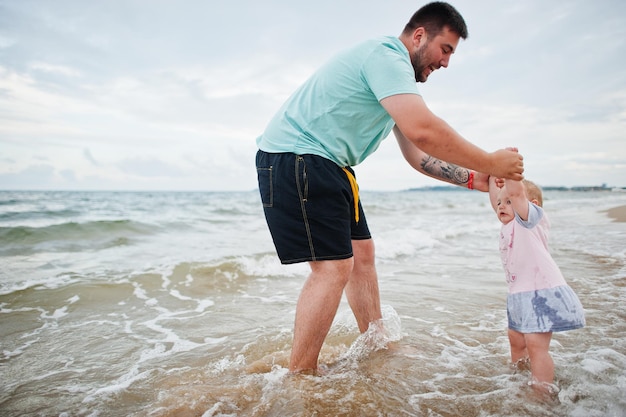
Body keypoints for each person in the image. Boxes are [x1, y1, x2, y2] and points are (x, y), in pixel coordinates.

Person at [255, 2, 524, 374]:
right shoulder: (386, 57)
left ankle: (377, 345)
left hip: (330, 165)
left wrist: (476, 180)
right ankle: (301, 376)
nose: (446, 63)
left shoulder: (395, 82)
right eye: (445, 49)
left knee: (361, 255)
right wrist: (491, 162)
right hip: (299, 157)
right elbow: (425, 131)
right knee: (332, 269)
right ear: (418, 35)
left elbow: (418, 155)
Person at [488, 176, 585, 395]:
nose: (501, 206)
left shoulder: (530, 221)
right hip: (518, 295)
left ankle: (542, 394)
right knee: (515, 341)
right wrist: (494, 175)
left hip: (540, 292)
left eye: (508, 202)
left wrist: (509, 172)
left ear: (533, 205)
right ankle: (519, 378)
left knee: (536, 346)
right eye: (500, 203)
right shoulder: (510, 223)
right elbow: (500, 195)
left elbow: (516, 194)